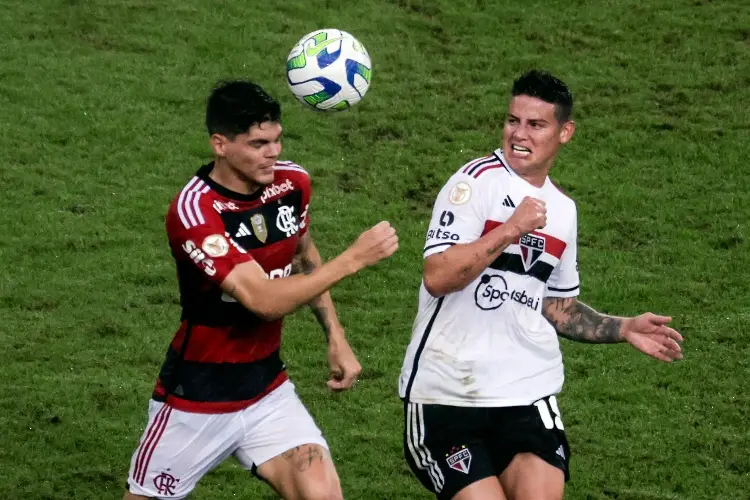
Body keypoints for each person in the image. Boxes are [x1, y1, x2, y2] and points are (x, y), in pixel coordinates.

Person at [398, 70, 683, 500]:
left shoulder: (563, 210)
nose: (519, 134)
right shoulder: (474, 182)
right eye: (513, 121)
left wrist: (622, 328)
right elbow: (438, 277)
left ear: (564, 132)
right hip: (447, 395)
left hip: (526, 393)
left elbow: (556, 307)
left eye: (536, 125)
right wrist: (510, 229)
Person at [123, 80, 398, 500]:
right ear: (220, 144)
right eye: (258, 144)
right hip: (196, 398)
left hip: (266, 388)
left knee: (322, 493)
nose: (273, 152)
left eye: (276, 139)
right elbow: (262, 302)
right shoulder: (196, 211)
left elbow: (303, 253)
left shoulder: (291, 185)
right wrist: (354, 259)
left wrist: (336, 337)